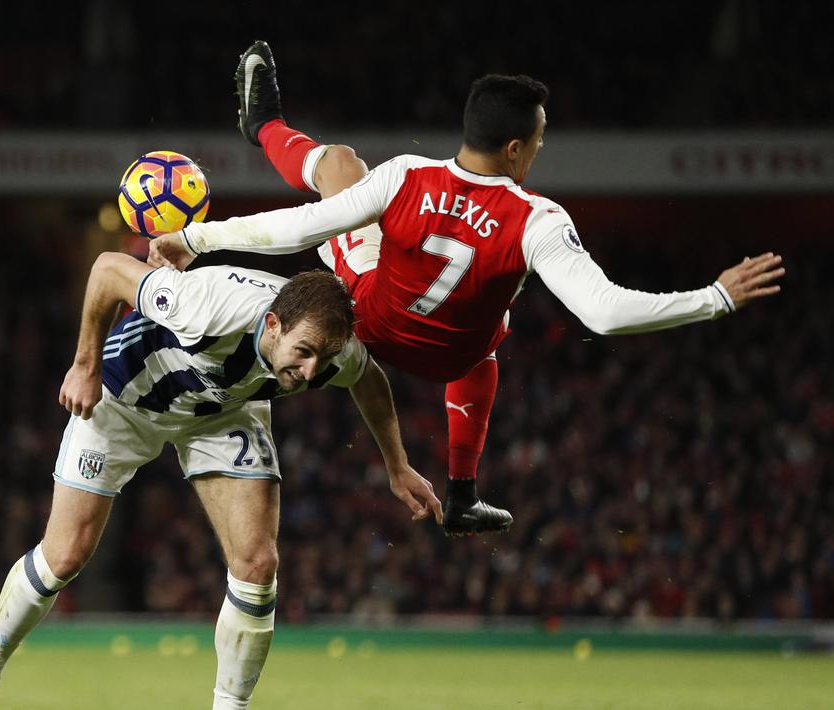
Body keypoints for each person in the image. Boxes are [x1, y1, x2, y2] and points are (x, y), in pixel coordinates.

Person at [149, 40, 785, 537]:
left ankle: (263, 125)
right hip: (454, 357)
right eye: (537, 141)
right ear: (514, 147)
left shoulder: (406, 177)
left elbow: (301, 227)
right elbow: (606, 313)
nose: (537, 151)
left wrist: (199, 237)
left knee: (339, 166)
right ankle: (462, 491)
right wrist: (715, 297)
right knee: (488, 328)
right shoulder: (537, 218)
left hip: (368, 326)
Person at [0, 252, 442, 710]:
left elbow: (368, 379)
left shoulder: (331, 348)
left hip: (221, 411)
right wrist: (84, 363)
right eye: (305, 352)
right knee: (64, 557)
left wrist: (397, 466)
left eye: (323, 361)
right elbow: (108, 270)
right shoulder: (207, 306)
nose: (312, 373)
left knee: (257, 562)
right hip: (125, 399)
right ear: (272, 324)